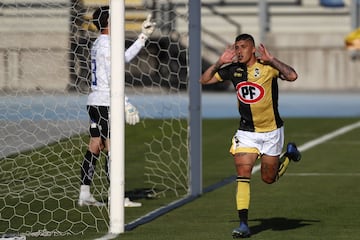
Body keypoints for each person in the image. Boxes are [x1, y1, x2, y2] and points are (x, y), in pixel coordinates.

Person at [200, 33, 301, 238]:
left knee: (268, 178)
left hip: (271, 132)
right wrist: (220, 61)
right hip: (246, 133)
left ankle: (289, 155)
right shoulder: (233, 70)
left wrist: (272, 59)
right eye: (236, 47)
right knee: (243, 172)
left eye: (243, 47)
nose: (239, 51)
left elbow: (292, 76)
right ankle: (244, 224)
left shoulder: (268, 68)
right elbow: (204, 80)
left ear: (253, 49)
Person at [78, 6, 156, 208]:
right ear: (109, 22)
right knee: (114, 147)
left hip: (94, 101)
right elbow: (114, 76)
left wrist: (142, 37)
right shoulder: (107, 45)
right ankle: (116, 196)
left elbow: (122, 60)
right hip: (105, 102)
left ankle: (85, 193)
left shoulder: (101, 43)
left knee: (96, 144)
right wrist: (126, 103)